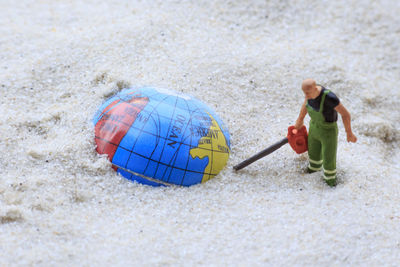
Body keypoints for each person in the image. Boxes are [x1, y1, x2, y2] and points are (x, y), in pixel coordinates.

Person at [294, 79, 357, 186]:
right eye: (304, 93)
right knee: (313, 154)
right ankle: (313, 171)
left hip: (328, 132)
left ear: (314, 89)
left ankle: (330, 181)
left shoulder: (329, 98)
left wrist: (349, 132)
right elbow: (305, 104)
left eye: (308, 93)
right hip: (314, 128)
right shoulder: (309, 95)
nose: (306, 95)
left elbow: (345, 114)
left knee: (328, 158)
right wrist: (299, 120)